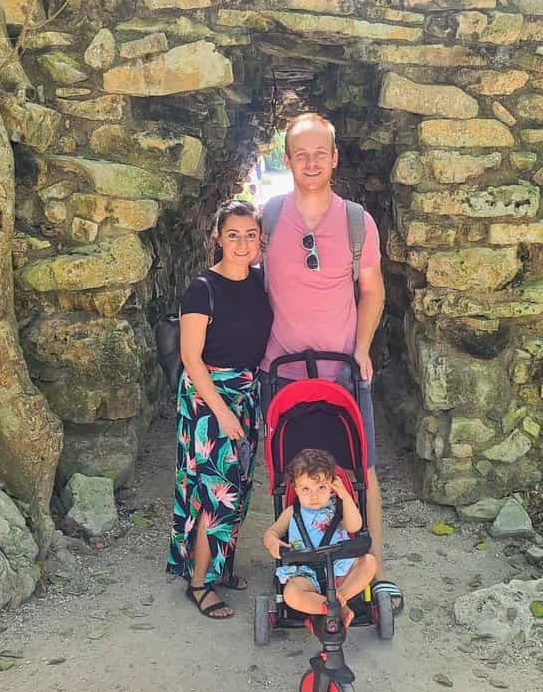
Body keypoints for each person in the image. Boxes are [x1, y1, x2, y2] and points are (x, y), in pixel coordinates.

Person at [261, 112, 403, 615]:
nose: (312, 162)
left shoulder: (355, 221)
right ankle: (296, 560)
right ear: (288, 160)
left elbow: (372, 289)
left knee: (361, 467)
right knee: (285, 465)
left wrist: (362, 347)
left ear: (335, 157)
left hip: (344, 367)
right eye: (302, 154)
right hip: (281, 368)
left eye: (321, 153)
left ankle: (371, 566)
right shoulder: (270, 218)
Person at [167, 200, 273, 619]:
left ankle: (220, 567)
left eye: (251, 234)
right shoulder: (202, 289)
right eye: (233, 234)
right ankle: (199, 583)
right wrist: (223, 413)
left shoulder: (260, 282)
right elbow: (192, 360)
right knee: (213, 492)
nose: (243, 243)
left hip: (245, 393)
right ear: (218, 237)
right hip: (208, 398)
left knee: (238, 487)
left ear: (260, 238)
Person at [263, 449, 377, 628]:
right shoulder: (292, 512)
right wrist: (272, 542)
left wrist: (345, 497)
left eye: (321, 487)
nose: (314, 495)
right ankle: (330, 608)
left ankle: (340, 599)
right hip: (306, 572)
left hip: (340, 569)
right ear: (296, 489)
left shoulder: (337, 508)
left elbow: (355, 526)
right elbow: (272, 532)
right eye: (306, 489)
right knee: (292, 593)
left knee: (369, 562)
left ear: (332, 485)